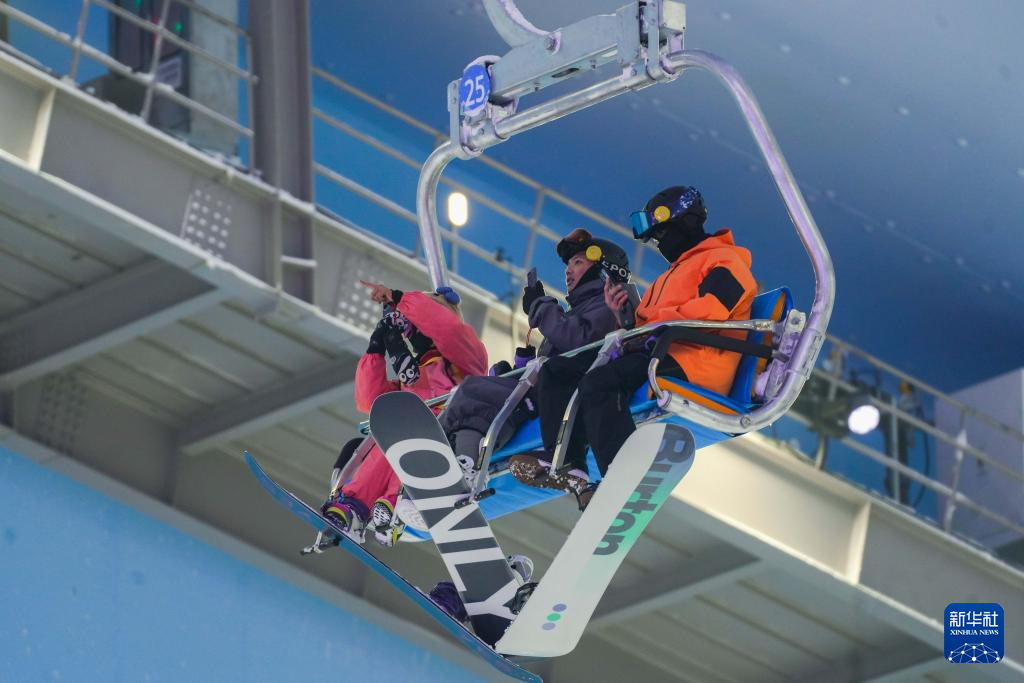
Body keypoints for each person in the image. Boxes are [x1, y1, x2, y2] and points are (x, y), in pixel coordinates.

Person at [510, 185, 757, 509]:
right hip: (660, 351)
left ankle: (623, 476)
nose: (659, 244)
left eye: (661, 234)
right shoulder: (668, 277)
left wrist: (648, 322)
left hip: (698, 360)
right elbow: (645, 324)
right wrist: (624, 317)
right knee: (561, 370)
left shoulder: (726, 261)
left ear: (686, 222)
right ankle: (570, 466)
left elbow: (710, 312)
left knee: (600, 382)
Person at [396, 228, 626, 532]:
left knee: (473, 391)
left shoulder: (608, 302)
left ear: (602, 269)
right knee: (467, 397)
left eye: (579, 263)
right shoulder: (578, 309)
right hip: (548, 386)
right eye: (568, 266)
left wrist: (541, 306)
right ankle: (430, 478)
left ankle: (462, 473)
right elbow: (565, 348)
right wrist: (522, 365)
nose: (569, 271)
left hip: (563, 393)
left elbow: (577, 343)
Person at [321, 281, 488, 545]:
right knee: (386, 434)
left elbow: (446, 330)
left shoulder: (467, 356)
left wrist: (400, 299)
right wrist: (376, 349)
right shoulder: (414, 371)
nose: (414, 333)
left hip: (446, 430)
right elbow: (369, 401)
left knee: (409, 433)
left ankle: (394, 504)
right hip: (409, 427)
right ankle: (354, 508)